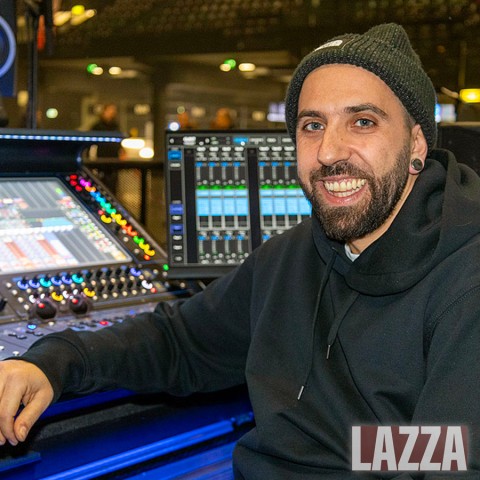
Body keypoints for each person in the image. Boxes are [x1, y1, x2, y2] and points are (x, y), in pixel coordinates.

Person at [1, 23, 480, 478]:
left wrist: (318, 444)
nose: (330, 151)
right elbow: (180, 342)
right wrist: (54, 361)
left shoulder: (466, 281)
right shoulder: (292, 256)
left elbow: (454, 452)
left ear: (416, 143)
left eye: (363, 121)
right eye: (313, 125)